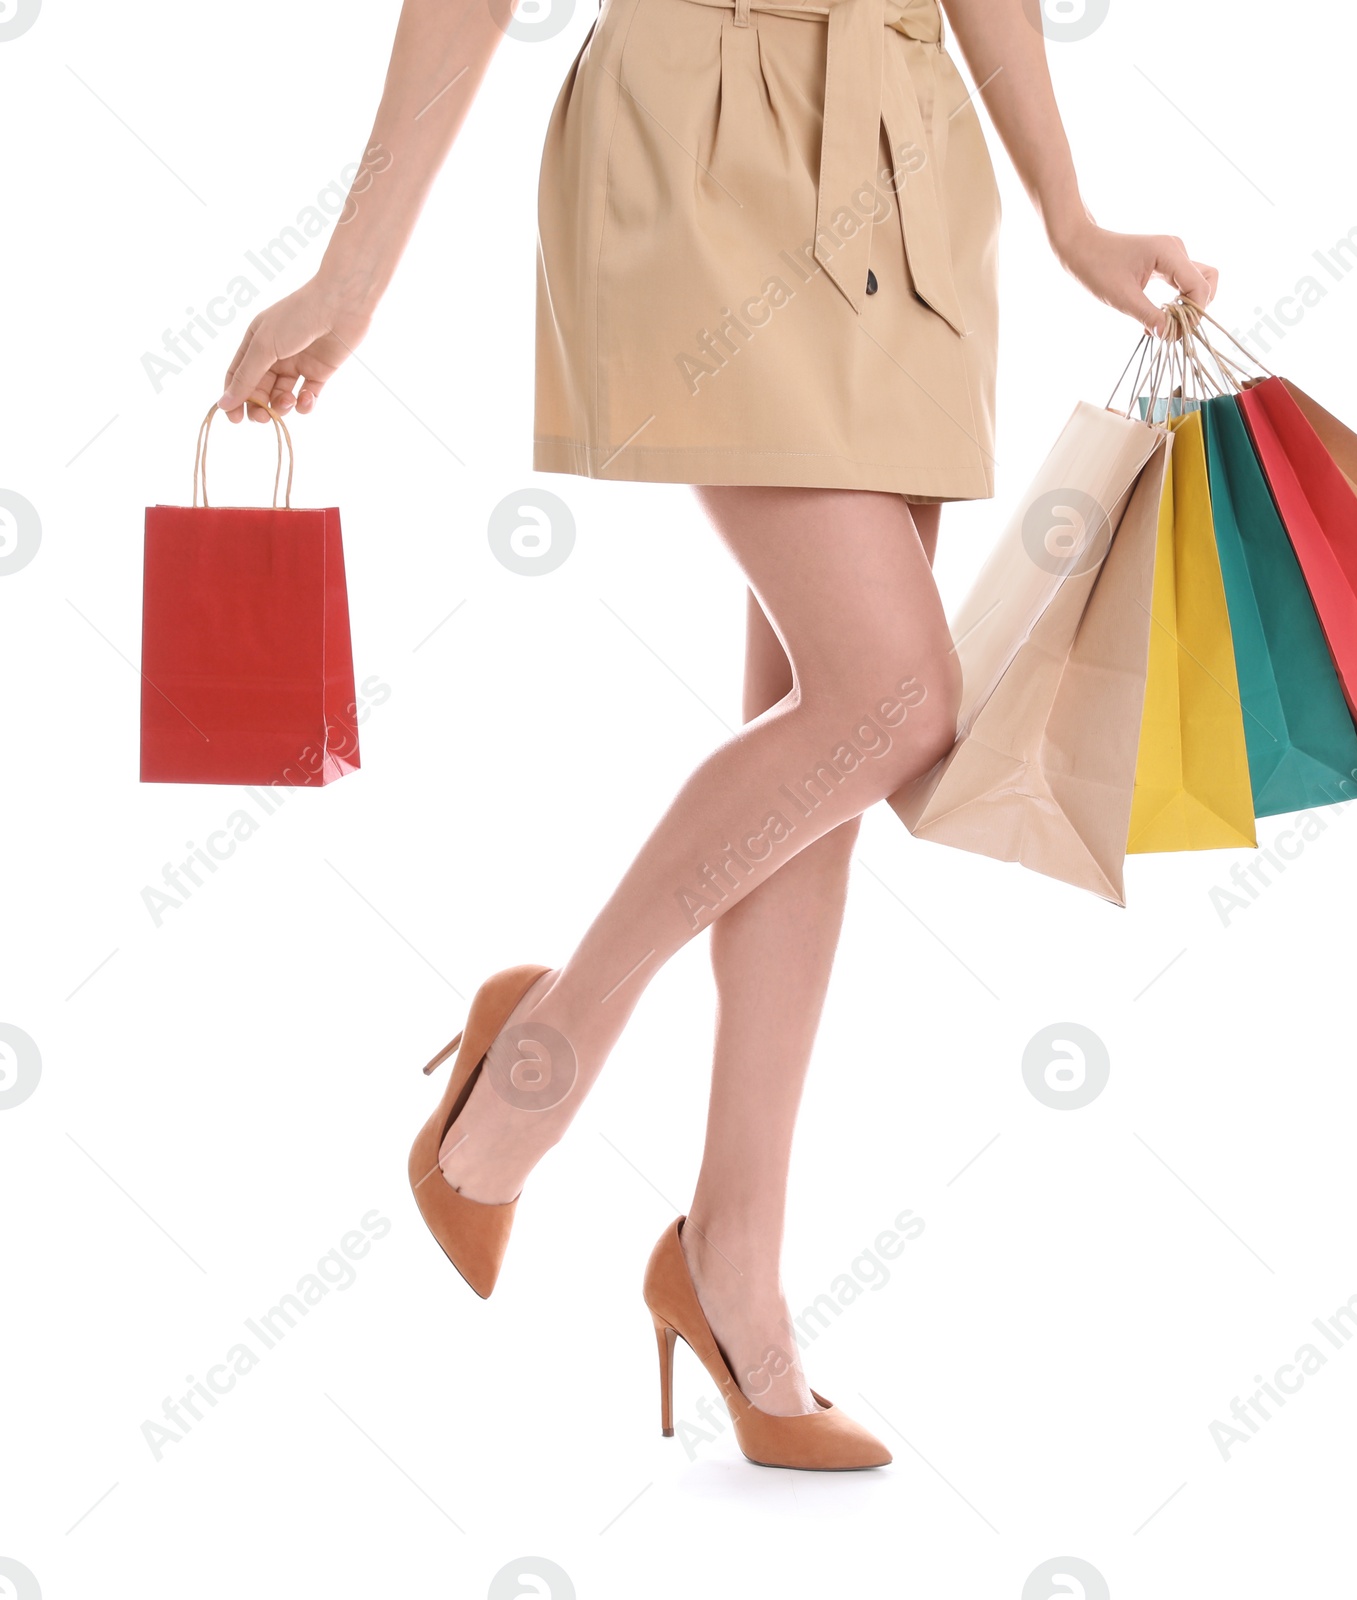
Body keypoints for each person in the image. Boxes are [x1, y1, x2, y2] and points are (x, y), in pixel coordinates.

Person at [216, 0, 1217, 1470]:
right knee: (892, 700)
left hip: (904, 147)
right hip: (699, 139)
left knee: (831, 732)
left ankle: (731, 1263)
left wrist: (1070, 211)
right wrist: (349, 271)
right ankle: (544, 1043)